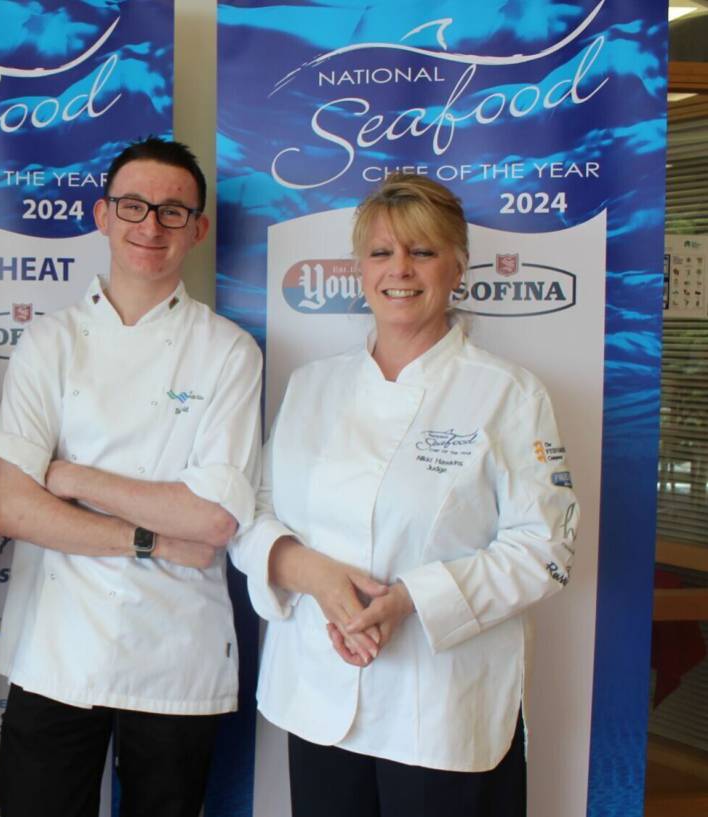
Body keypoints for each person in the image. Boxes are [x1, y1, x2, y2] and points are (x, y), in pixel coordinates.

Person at [230, 173, 579, 817]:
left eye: (422, 251)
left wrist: (411, 599)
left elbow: (546, 551)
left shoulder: (509, 393)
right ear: (360, 269)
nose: (400, 270)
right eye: (382, 252)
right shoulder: (312, 385)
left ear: (458, 267)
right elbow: (252, 512)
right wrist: (312, 574)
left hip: (443, 708)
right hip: (320, 693)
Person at [0, 137, 263, 817]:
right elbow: (15, 508)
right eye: (134, 206)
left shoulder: (227, 351)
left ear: (199, 227)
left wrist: (72, 474)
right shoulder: (49, 341)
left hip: (174, 654)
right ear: (103, 215)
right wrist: (155, 538)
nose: (150, 226)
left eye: (171, 211)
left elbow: (214, 518)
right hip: (56, 653)